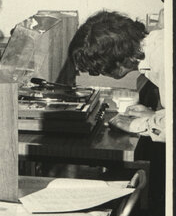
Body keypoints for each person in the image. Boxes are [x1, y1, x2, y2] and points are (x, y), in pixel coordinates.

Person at [69, 10, 166, 141]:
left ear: (116, 63)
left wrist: (137, 125)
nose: (99, 74)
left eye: (98, 70)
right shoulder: (157, 45)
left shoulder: (162, 58)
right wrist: (156, 116)